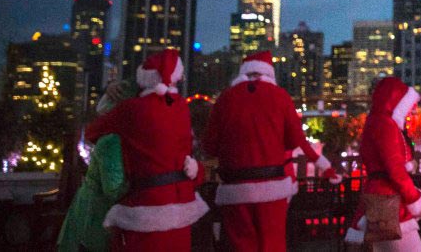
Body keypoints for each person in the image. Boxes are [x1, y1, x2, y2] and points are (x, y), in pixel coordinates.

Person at [202, 51, 339, 252]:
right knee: (272, 244)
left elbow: (209, 147)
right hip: (272, 188)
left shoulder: (225, 98)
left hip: (234, 188)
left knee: (240, 245)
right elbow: (295, 141)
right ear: (269, 73)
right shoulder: (280, 96)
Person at [85, 49, 208, 251]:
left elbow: (92, 132)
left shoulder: (131, 109)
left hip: (146, 206)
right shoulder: (181, 107)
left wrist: (110, 96)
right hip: (181, 203)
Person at [344, 76, 421, 250]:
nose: (411, 111)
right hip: (391, 203)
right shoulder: (386, 124)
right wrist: (415, 199)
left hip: (378, 199)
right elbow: (395, 170)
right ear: (398, 103)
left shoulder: (374, 121)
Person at [56, 80, 136, 252]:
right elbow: (113, 189)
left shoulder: (114, 136)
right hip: (93, 225)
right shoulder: (113, 140)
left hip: (93, 220)